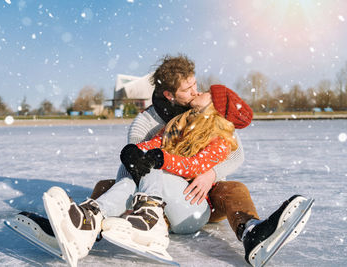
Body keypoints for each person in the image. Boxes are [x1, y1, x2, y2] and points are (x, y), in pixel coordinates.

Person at [42, 55, 312, 267]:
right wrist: (134, 166)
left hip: (202, 194)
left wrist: (210, 175)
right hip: (165, 192)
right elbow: (135, 163)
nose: (196, 91)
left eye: (196, 84)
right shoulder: (148, 122)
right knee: (110, 183)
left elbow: (235, 153)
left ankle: (251, 231)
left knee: (234, 189)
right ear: (170, 95)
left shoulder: (210, 114)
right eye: (188, 89)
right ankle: (81, 227)